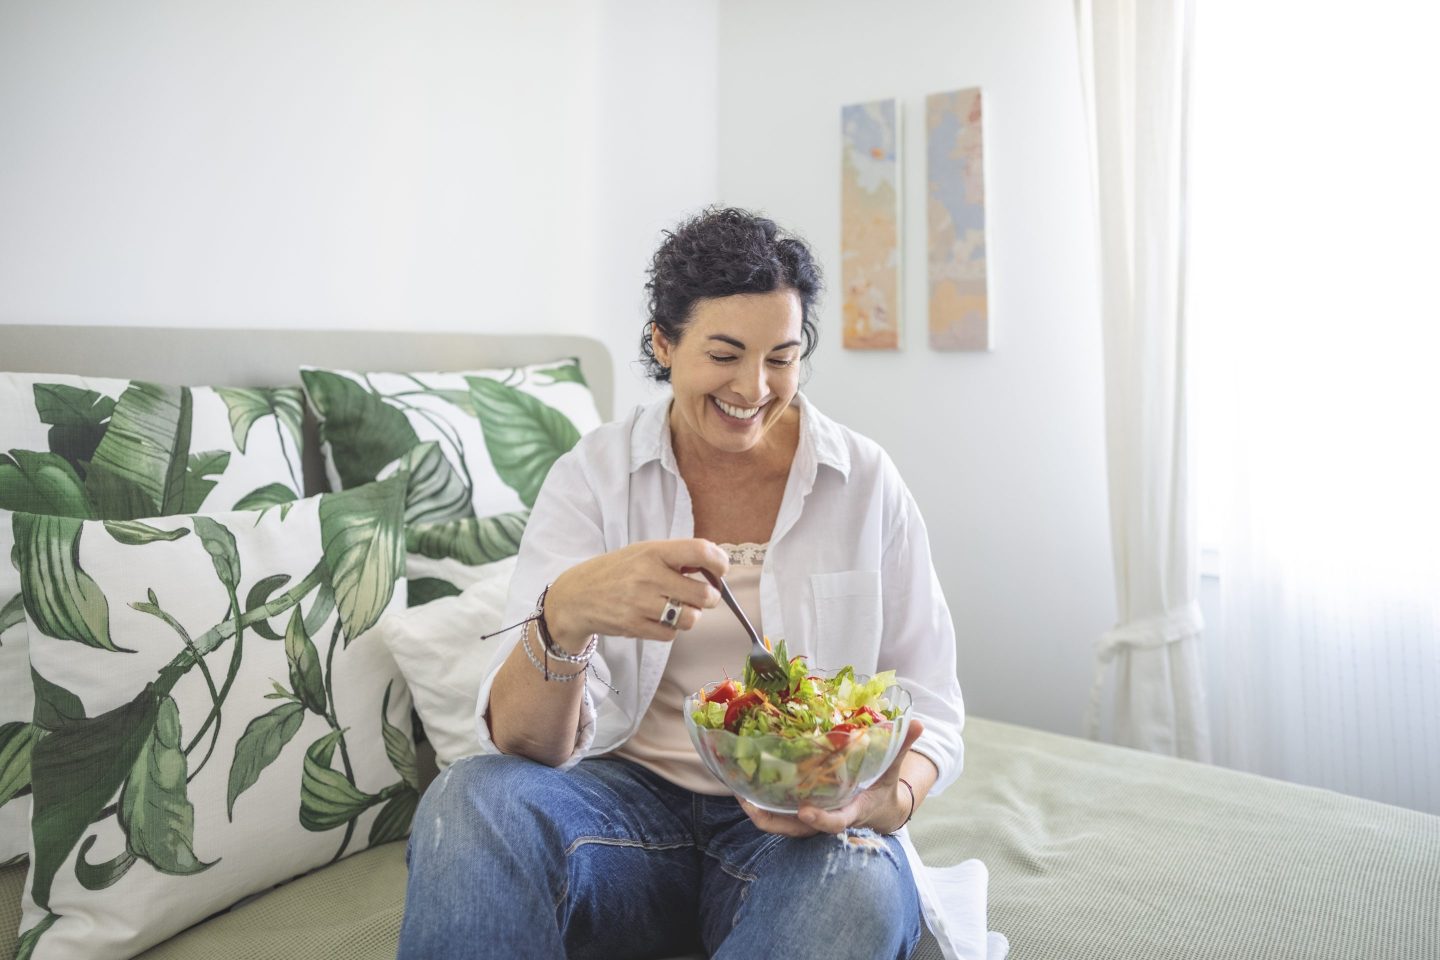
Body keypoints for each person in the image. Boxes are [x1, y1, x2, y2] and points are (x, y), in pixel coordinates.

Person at [397, 207, 965, 960]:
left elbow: (934, 709)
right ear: (663, 343)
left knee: (859, 879)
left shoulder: (863, 482)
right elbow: (525, 748)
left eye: (782, 357)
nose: (755, 388)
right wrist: (563, 616)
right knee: (471, 800)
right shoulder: (593, 479)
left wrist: (889, 799)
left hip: (794, 833)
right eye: (724, 354)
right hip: (618, 821)